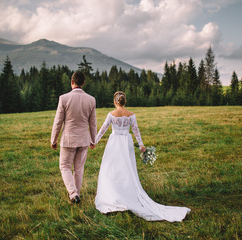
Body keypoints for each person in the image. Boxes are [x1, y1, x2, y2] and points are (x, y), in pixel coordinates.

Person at [94, 91, 190, 221]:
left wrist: (94, 141)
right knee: (127, 169)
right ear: (124, 101)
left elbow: (103, 129)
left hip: (114, 142)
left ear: (115, 102)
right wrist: (141, 145)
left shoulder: (111, 114)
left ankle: (113, 196)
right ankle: (125, 194)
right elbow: (136, 131)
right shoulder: (131, 115)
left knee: (111, 168)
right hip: (126, 142)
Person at [51, 71, 96, 204]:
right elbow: (92, 123)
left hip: (68, 140)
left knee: (65, 166)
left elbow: (58, 121)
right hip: (83, 139)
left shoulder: (64, 98)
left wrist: (53, 140)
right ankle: (77, 193)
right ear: (83, 83)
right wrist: (93, 140)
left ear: (72, 82)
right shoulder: (91, 99)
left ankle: (73, 193)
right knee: (79, 169)